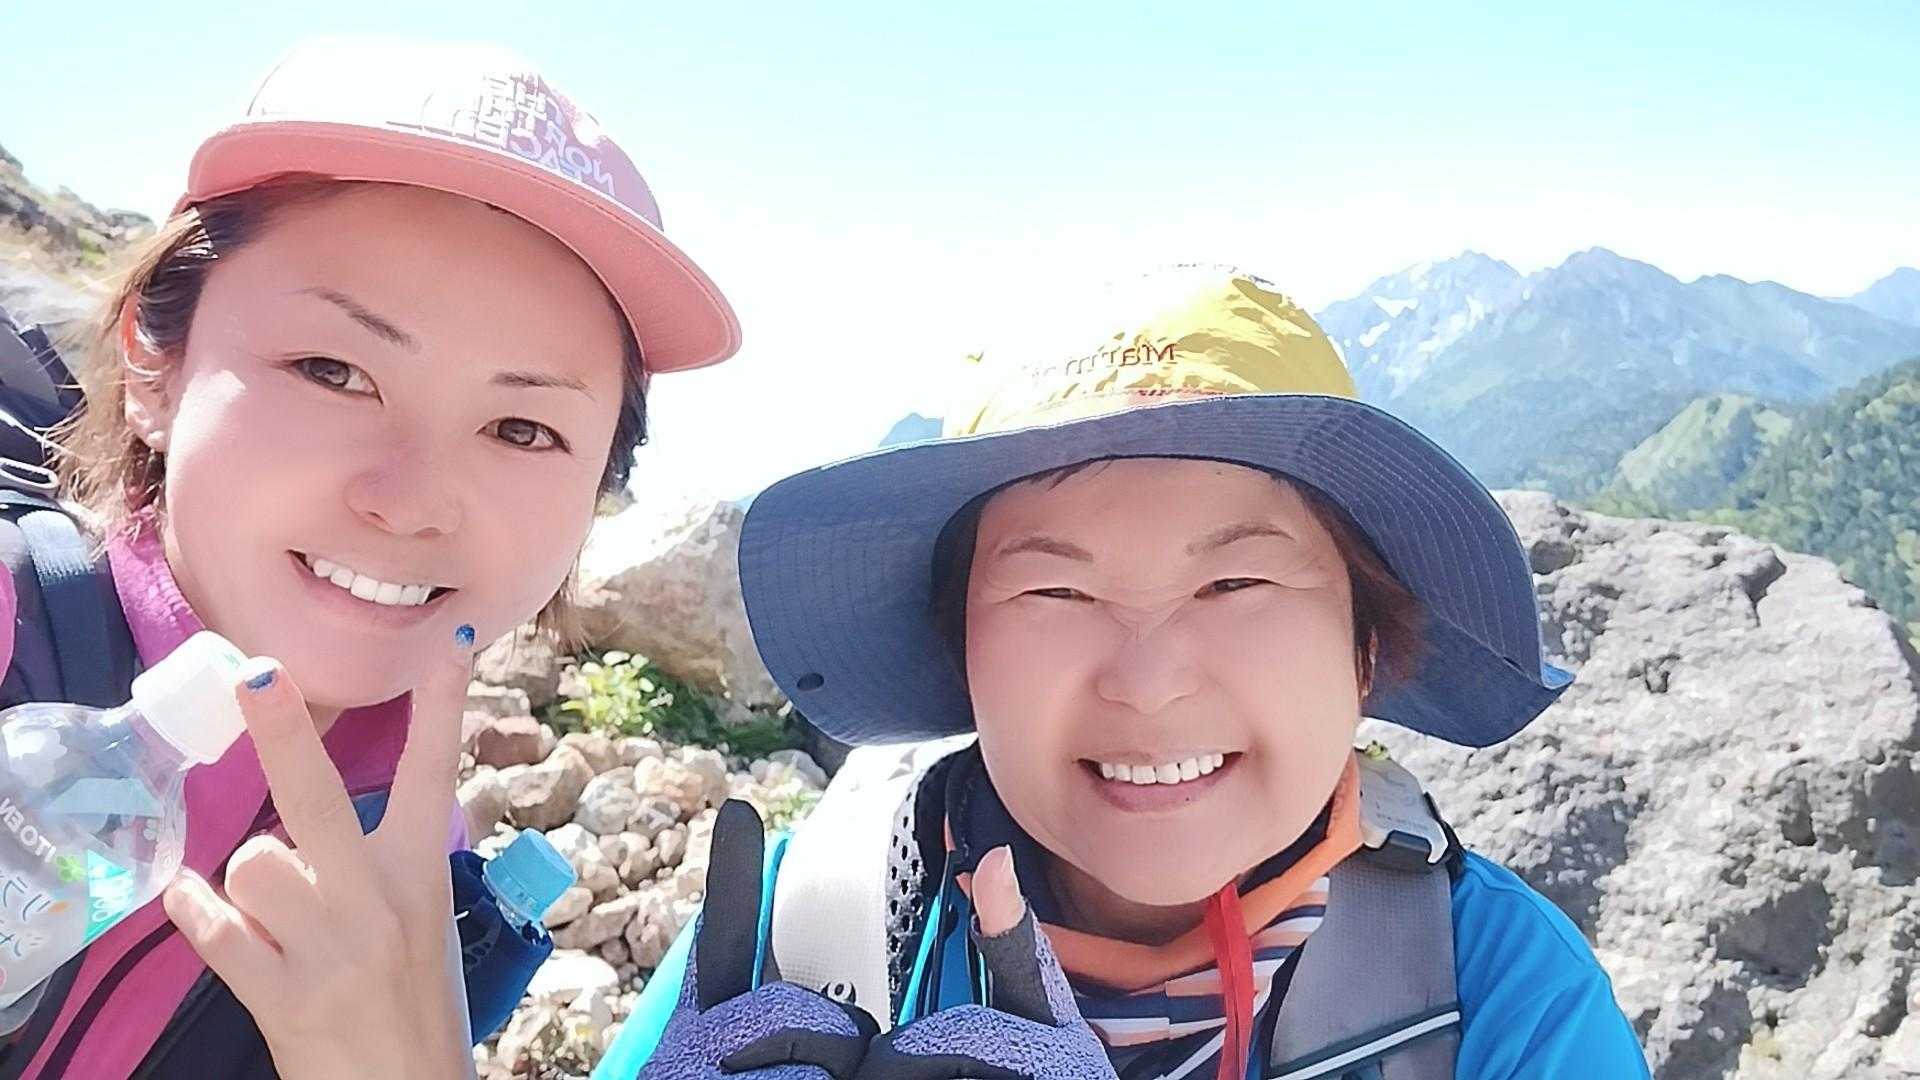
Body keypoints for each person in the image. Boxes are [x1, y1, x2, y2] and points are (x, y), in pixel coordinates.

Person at [600, 267, 1649, 1079]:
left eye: (1235, 583)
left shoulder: (1500, 992)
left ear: (1365, 645)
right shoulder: (803, 934)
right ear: (961, 654)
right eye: (1055, 593)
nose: (1147, 686)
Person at [0, 37, 738, 1079]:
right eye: (333, 370)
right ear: (155, 365)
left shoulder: (422, 875)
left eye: (521, 429)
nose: (409, 503)